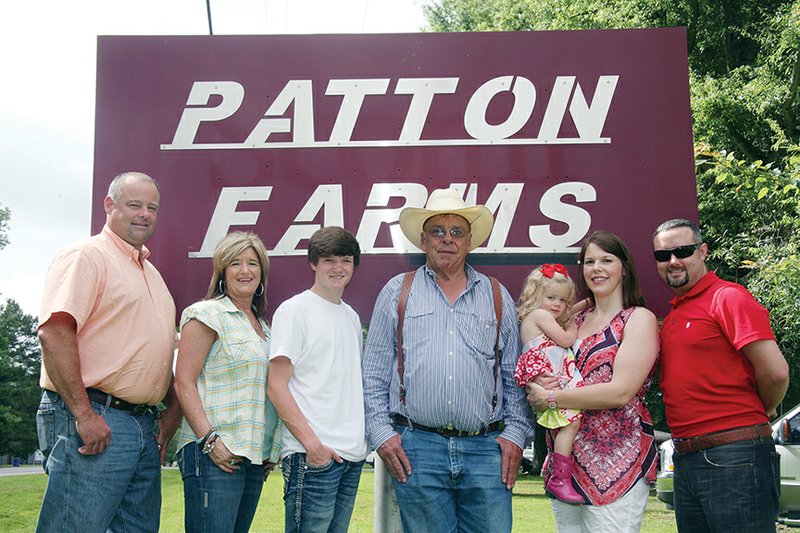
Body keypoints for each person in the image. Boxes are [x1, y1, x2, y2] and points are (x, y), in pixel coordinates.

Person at [362, 188, 534, 533]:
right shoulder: (397, 291)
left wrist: (516, 433)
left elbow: (514, 376)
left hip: (487, 451)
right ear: (423, 240)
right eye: (437, 231)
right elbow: (374, 374)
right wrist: (381, 433)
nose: (447, 240)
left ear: (469, 241)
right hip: (417, 449)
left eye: (456, 232)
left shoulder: (496, 295)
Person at [35, 171, 181, 532]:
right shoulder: (87, 256)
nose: (144, 214)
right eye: (134, 205)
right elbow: (54, 333)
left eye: (152, 207)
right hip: (96, 415)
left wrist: (172, 409)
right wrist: (84, 416)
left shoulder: (152, 275)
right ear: (109, 205)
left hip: (142, 424)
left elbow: (156, 350)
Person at [652, 218, 789, 532]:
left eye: (683, 251)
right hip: (686, 458)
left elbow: (777, 373)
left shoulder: (728, 297)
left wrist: (759, 412)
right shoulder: (676, 312)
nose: (673, 261)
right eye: (663, 255)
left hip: (735, 455)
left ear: (702, 251)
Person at [527, 231, 659, 532]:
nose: (596, 268)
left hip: (617, 459)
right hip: (567, 461)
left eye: (606, 260)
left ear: (623, 268)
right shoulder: (573, 320)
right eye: (589, 262)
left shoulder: (638, 319)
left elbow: (620, 392)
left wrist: (550, 398)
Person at [173, 231, 281, 533]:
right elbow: (183, 382)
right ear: (222, 271)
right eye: (235, 263)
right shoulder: (206, 314)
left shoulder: (266, 328)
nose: (245, 271)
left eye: (252, 263)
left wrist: (269, 450)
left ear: (262, 271)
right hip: (214, 453)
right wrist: (210, 441)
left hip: (253, 456)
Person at [267, 226, 368, 533]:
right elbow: (276, 385)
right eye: (329, 260)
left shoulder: (351, 317)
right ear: (313, 263)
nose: (338, 268)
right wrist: (312, 445)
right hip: (313, 456)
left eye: (346, 260)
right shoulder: (294, 311)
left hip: (351, 456)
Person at [514, 263, 584, 504]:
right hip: (549, 380)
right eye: (551, 297)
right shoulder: (540, 315)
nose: (557, 305)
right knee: (571, 425)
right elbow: (566, 338)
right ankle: (559, 478)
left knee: (563, 425)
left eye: (563, 301)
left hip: (545, 379)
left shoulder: (538, 315)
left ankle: (553, 468)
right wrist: (574, 322)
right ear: (536, 296)